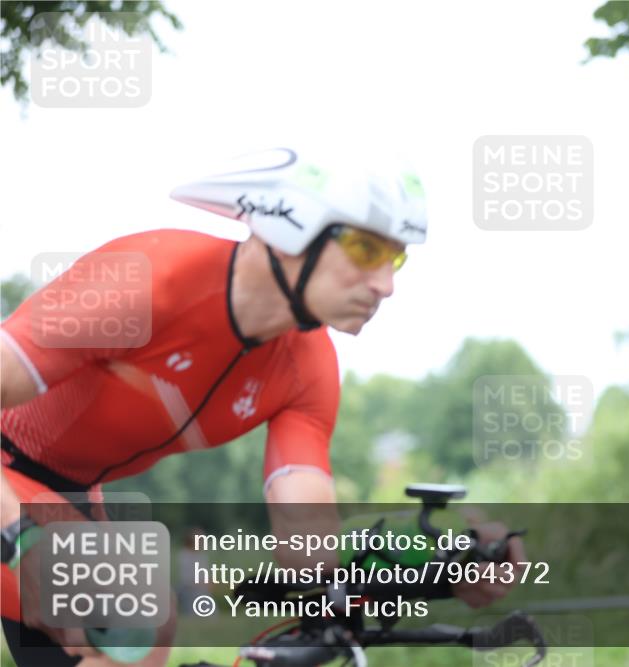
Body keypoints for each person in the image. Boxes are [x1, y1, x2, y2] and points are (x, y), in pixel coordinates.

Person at [0, 146, 525, 667]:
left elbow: (307, 548)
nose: (386, 285)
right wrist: (20, 540)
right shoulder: (147, 281)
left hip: (66, 487)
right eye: (366, 250)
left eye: (396, 259)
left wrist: (436, 566)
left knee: (143, 623)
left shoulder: (308, 368)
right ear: (290, 228)